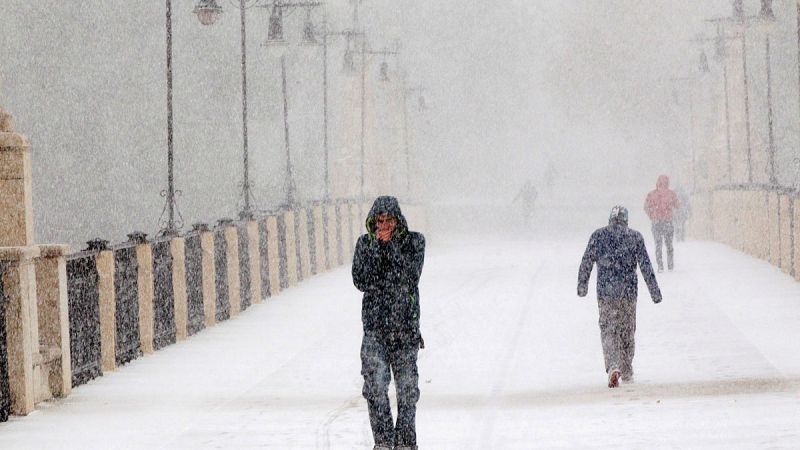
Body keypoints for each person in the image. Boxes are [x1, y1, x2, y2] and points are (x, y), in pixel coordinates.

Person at [352, 196, 426, 450]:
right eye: (379, 221)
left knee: (407, 392)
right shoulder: (365, 245)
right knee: (374, 388)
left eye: (389, 220)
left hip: (405, 330)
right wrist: (377, 249)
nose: (384, 226)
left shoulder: (414, 242)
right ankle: (383, 442)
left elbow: (409, 277)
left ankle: (406, 443)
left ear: (398, 221)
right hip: (375, 330)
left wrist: (391, 248)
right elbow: (361, 280)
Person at [577, 206, 662, 388]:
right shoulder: (635, 237)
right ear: (626, 220)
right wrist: (654, 292)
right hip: (628, 292)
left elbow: (586, 262)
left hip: (606, 293)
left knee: (608, 329)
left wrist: (582, 285)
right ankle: (627, 367)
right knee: (627, 330)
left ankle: (613, 366)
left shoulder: (598, 236)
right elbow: (645, 265)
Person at [644, 175, 680, 272]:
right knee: (669, 244)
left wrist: (652, 216)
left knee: (658, 245)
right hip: (667, 222)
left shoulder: (651, 194)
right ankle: (670, 265)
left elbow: (646, 207)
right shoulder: (671, 194)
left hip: (656, 223)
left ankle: (660, 266)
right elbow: (677, 205)